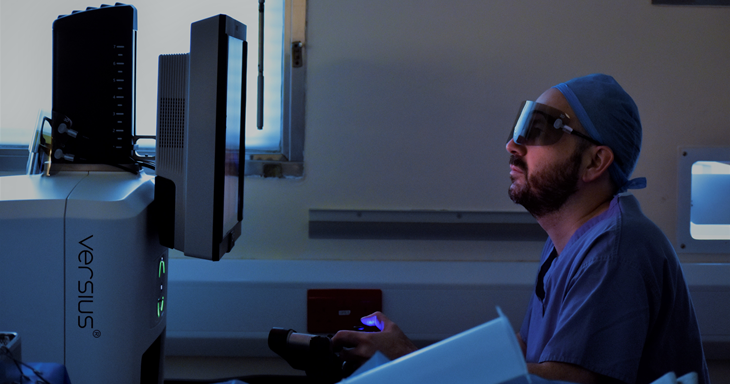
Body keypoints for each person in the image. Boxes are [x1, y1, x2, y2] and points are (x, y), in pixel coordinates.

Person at [332, 74, 711, 384]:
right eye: (523, 124)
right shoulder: (569, 241)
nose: (513, 144)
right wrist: (409, 359)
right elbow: (528, 357)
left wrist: (410, 361)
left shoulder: (615, 249)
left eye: (541, 128)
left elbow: (566, 382)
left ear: (595, 162)